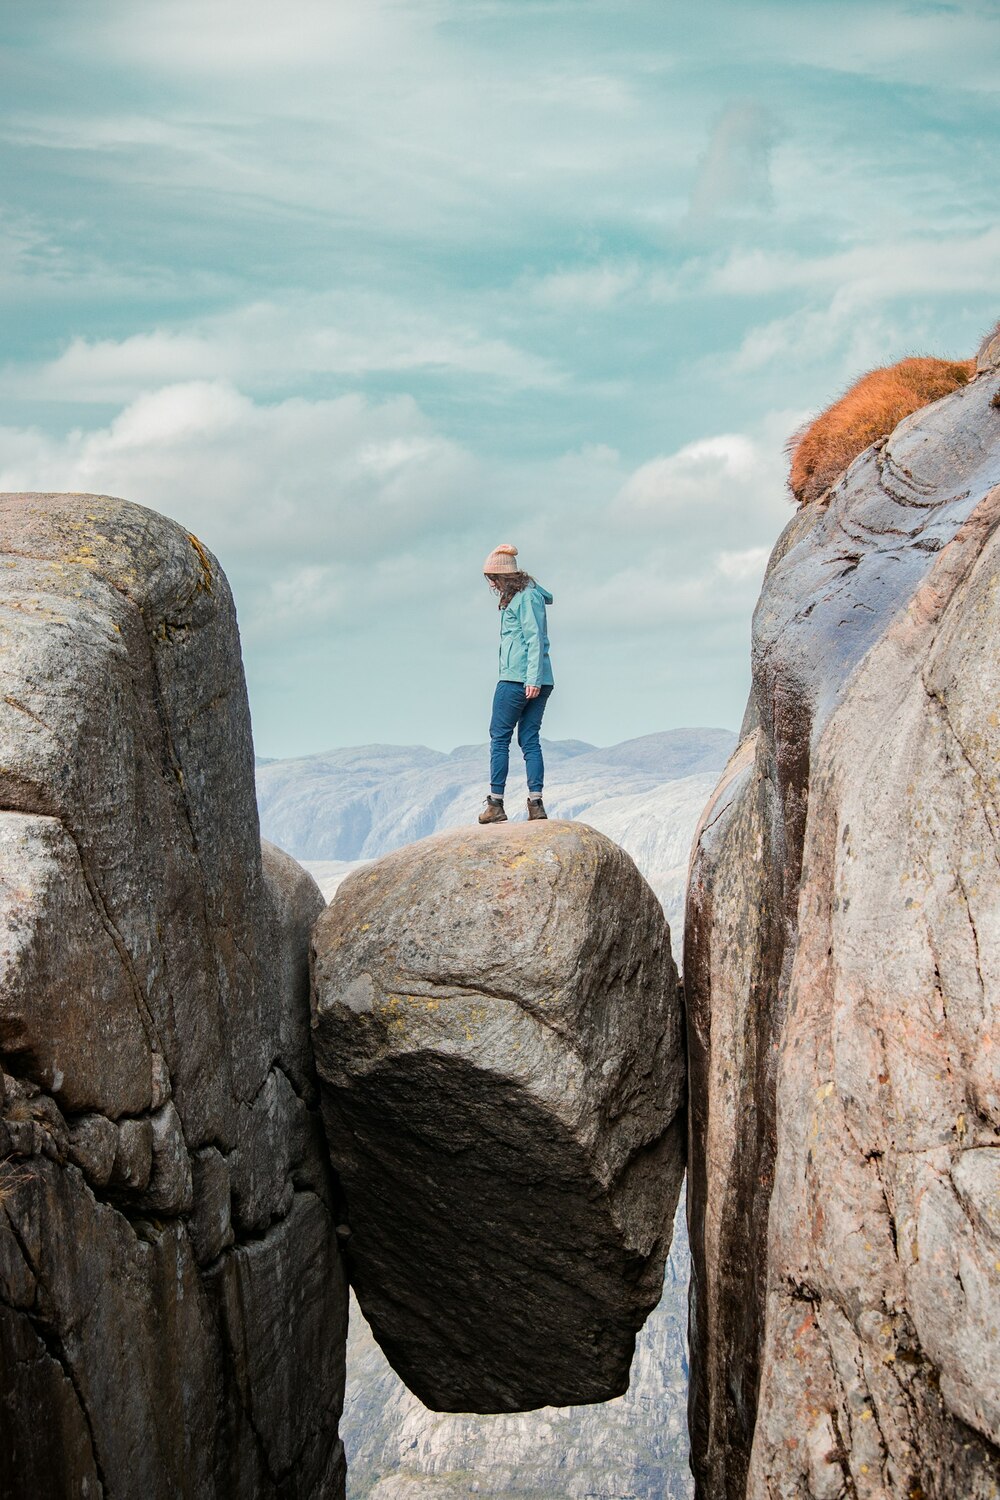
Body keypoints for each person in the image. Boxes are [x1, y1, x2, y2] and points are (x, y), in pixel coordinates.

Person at [478, 543, 554, 825]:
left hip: (518, 679)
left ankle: (496, 804)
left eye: (493, 579)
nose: (493, 585)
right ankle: (535, 804)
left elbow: (533, 638)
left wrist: (531, 679)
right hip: (536, 679)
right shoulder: (525, 596)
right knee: (528, 739)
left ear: (503, 577)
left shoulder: (525, 598)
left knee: (500, 737)